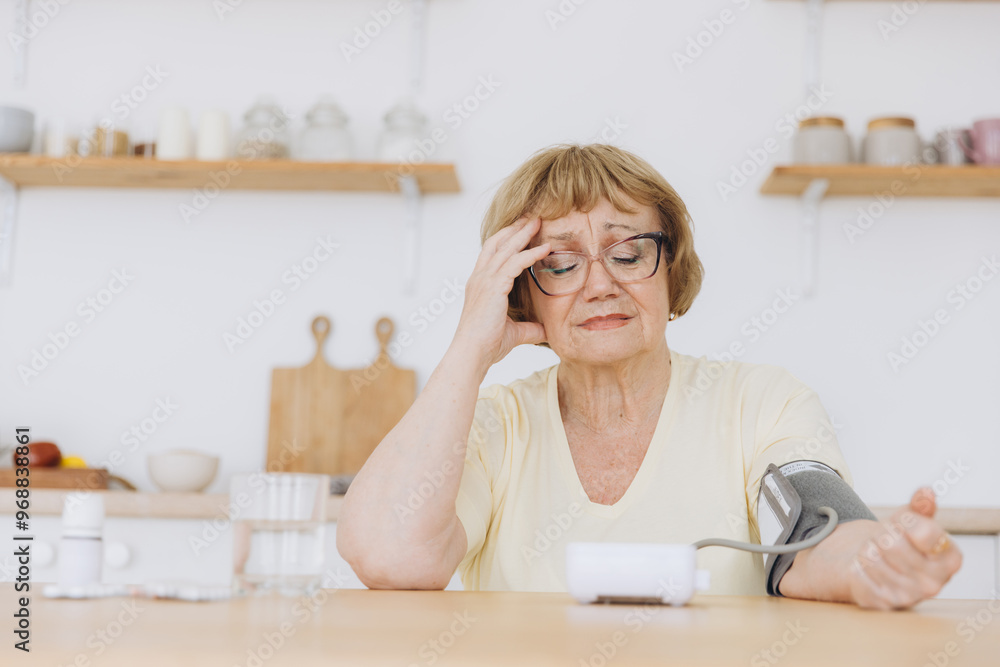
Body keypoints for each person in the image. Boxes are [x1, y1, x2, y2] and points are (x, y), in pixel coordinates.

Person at [337, 143, 962, 610]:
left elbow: (813, 532)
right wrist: (467, 351)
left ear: (671, 267)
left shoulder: (762, 401)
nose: (600, 284)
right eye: (560, 263)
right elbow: (390, 558)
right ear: (521, 292)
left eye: (629, 252)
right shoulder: (491, 424)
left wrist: (872, 561)